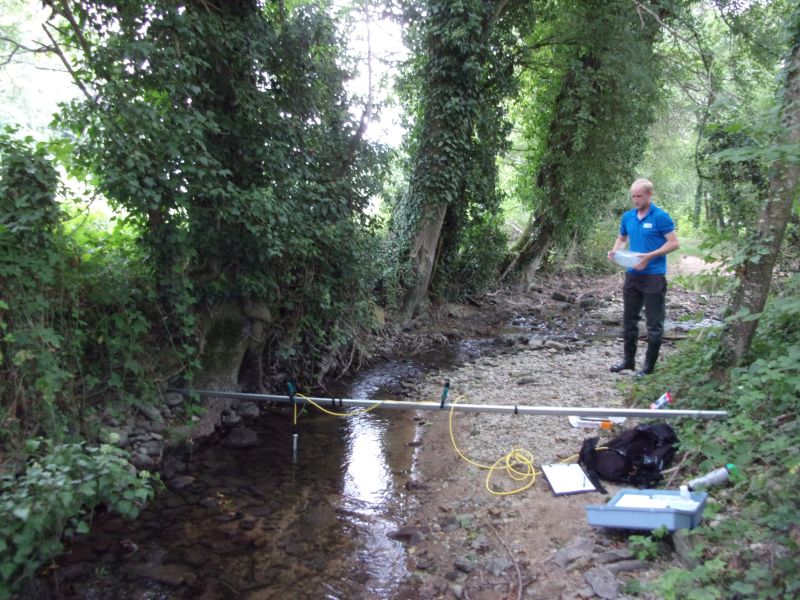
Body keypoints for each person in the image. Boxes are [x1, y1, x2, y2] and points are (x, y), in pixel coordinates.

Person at [607, 179, 680, 376]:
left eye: (639, 196)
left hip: (654, 276)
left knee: (654, 324)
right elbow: (622, 238)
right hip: (632, 276)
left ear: (649, 195)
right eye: (633, 196)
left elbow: (673, 243)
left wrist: (650, 256)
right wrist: (615, 252)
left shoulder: (660, 217)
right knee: (629, 320)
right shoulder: (628, 217)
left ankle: (648, 368)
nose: (636, 200)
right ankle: (628, 361)